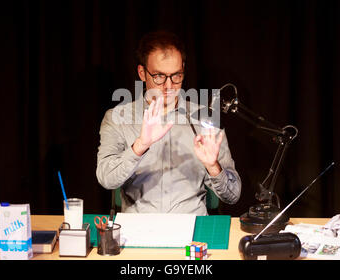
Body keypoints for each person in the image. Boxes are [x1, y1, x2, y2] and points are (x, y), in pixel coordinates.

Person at [96, 31, 241, 215]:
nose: (168, 86)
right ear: (142, 73)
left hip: (192, 228)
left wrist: (213, 166)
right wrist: (140, 146)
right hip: (139, 230)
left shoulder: (204, 118)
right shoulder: (117, 118)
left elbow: (233, 196)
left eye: (176, 76)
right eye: (158, 76)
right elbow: (106, 179)